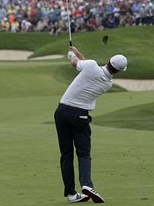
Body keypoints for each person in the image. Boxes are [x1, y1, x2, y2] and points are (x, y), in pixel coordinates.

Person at [54, 46, 128, 203]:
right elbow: (86, 65)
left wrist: (72, 55)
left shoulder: (91, 65)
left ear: (108, 60)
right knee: (83, 154)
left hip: (61, 112)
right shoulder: (107, 84)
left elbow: (76, 63)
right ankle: (87, 185)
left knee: (66, 154)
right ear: (119, 71)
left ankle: (72, 194)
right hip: (80, 116)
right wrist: (78, 52)